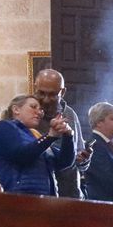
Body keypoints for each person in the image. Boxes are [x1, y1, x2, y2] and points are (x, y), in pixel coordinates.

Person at [0, 93, 72, 195]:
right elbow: (21, 155)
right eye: (33, 107)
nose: (39, 112)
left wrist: (68, 136)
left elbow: (64, 162)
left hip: (43, 201)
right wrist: (50, 136)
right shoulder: (3, 127)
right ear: (16, 110)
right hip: (16, 198)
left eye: (41, 109)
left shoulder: (35, 136)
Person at [34, 67, 86, 197]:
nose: (45, 99)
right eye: (41, 93)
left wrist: (83, 158)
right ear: (35, 88)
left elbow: (79, 160)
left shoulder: (70, 115)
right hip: (38, 192)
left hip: (69, 192)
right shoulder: (24, 113)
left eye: (52, 94)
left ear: (62, 92)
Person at [81, 101, 113, 203]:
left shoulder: (107, 145)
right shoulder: (94, 146)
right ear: (99, 122)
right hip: (104, 208)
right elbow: (110, 182)